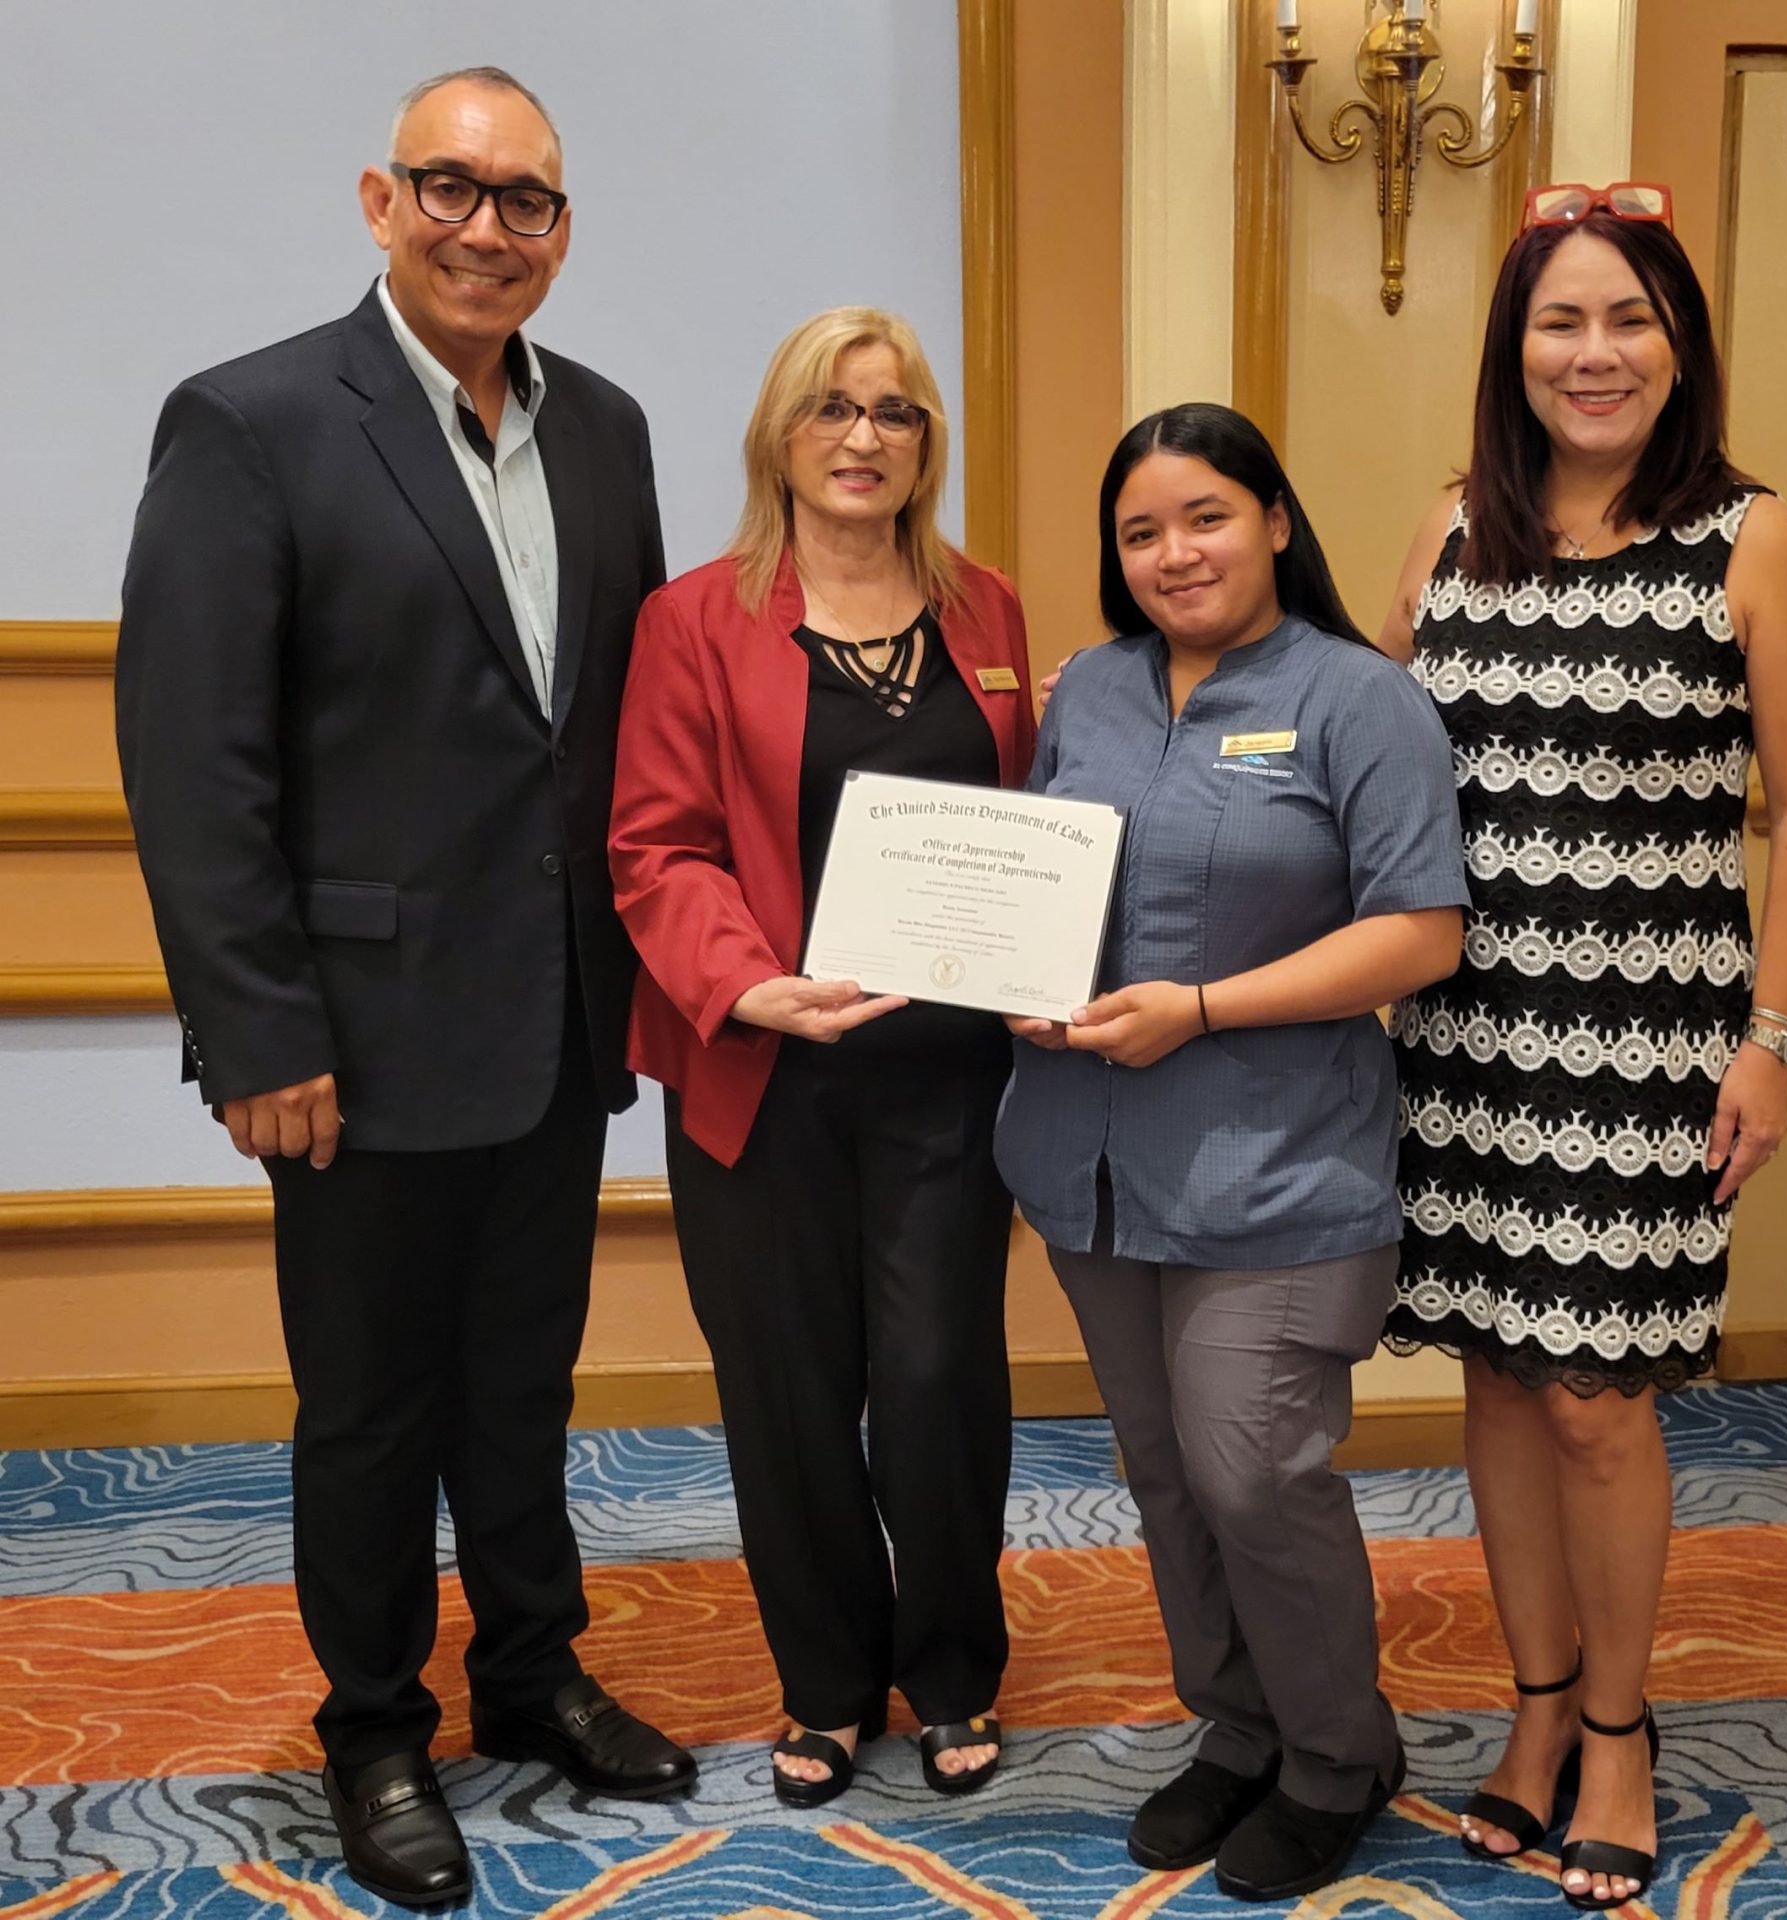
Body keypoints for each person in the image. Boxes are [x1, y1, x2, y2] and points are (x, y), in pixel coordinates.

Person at [115, 66, 692, 1910]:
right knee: (368, 1408)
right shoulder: (253, 420)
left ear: (563, 233)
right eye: (451, 187)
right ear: (380, 201)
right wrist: (256, 1027)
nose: (486, 229)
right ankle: (374, 1726)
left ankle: (530, 1672)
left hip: (556, 1021)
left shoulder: (607, 429)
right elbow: (193, 767)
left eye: (526, 201)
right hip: (351, 1044)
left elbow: (620, 736)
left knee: (522, 1384)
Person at [1377, 182, 1787, 1911]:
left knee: (1596, 1399)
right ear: (1515, 349)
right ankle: (1535, 1709)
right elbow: (1358, 734)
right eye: (1560, 320)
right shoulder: (1454, 532)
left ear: (1679, 346)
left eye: (1629, 319)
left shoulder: (1751, 538)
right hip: (1468, 1035)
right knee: (1500, 1382)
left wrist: (1773, 1040)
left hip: (1650, 1044)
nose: (1595, 352)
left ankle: (1623, 1733)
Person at [995, 403, 1470, 1902]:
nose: (1175, 553)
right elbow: (1039, 875)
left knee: (1253, 1469)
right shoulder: (1093, 690)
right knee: (1165, 1475)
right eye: (1141, 532)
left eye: (1205, 516)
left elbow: (1423, 933)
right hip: (1089, 1157)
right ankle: (1240, 1725)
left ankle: (1338, 1753)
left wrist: (1199, 1009)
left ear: (1273, 519)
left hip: (1280, 1168)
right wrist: (1008, 970)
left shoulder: (1360, 698)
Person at [610, 309, 1034, 1806]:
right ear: (779, 437)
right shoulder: (693, 620)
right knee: (787, 1392)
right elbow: (657, 846)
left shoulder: (989, 609)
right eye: (832, 410)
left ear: (927, 443)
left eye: (896, 412)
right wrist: (753, 988)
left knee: (937, 1380)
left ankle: (955, 1665)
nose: (865, 438)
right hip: (764, 1075)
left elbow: (1027, 824)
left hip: (951, 1081)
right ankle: (829, 1682)